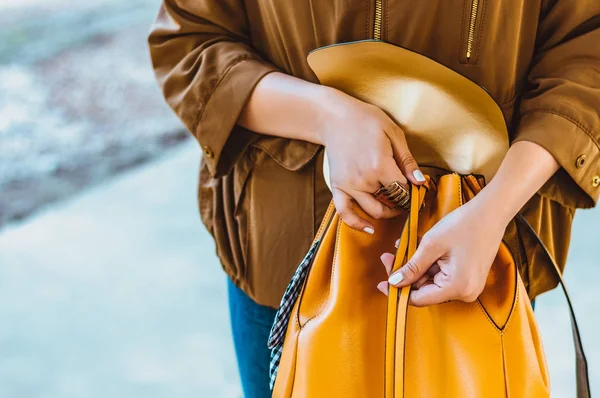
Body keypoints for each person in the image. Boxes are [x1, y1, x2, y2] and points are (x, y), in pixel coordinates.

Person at [148, 1, 600, 397]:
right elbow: (192, 41)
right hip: (285, 247)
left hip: (482, 255)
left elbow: (584, 52)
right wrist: (328, 117)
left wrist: (496, 208)